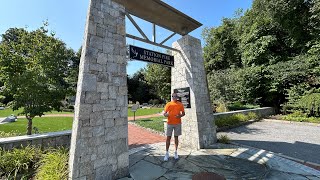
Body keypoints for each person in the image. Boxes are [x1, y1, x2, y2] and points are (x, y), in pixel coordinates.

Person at [163, 92, 185, 161]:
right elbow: (164, 113)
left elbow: (183, 113)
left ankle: (175, 152)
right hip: (170, 123)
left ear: (177, 97)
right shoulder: (168, 104)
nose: (174, 97)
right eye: (173, 96)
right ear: (172, 97)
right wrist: (166, 115)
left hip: (177, 123)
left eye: (175, 96)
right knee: (168, 138)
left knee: (176, 138)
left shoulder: (180, 104)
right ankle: (166, 153)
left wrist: (180, 116)